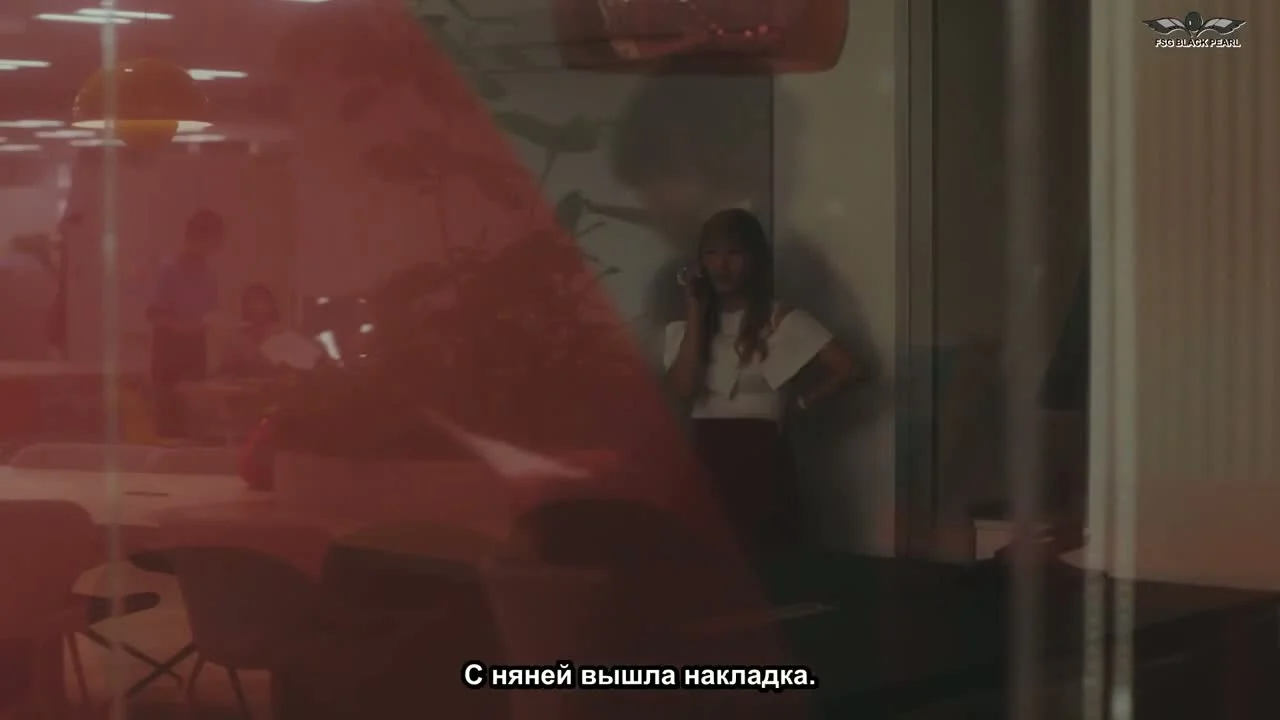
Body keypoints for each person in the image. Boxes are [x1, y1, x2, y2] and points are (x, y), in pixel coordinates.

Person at [663, 208, 857, 553]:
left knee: (766, 557)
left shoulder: (779, 318)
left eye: (734, 254)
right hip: (707, 453)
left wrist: (801, 404)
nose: (722, 265)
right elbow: (682, 389)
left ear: (754, 259)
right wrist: (695, 309)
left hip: (761, 455)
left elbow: (849, 368)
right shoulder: (686, 328)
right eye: (712, 253)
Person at [146, 209, 224, 438]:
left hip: (196, 348)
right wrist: (183, 327)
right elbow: (154, 315)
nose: (212, 249)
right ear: (195, 238)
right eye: (210, 242)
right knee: (170, 418)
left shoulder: (208, 273)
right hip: (169, 349)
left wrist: (216, 324)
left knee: (196, 418)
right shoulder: (169, 269)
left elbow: (210, 310)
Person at [219, 284, 284, 378]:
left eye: (258, 301)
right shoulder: (237, 338)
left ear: (270, 305)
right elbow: (223, 371)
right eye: (248, 301)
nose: (253, 306)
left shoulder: (283, 336)